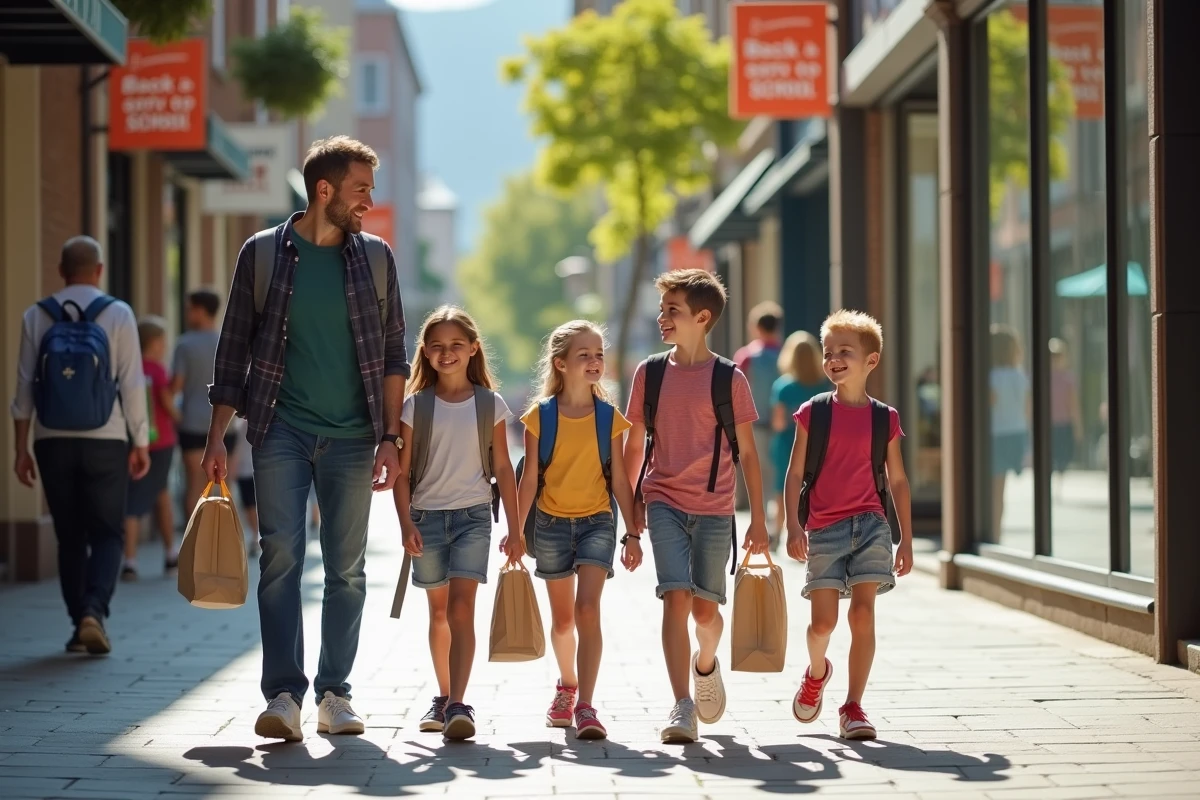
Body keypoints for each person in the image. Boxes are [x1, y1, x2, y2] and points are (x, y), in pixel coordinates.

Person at [201, 136, 409, 742]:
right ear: (326, 191)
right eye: (361, 188)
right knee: (281, 559)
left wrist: (391, 438)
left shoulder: (374, 259)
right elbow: (233, 347)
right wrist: (218, 437)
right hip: (279, 429)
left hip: (352, 437)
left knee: (346, 569)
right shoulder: (264, 253)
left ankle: (335, 693)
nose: (369, 199)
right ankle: (284, 695)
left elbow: (394, 353)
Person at [623, 268, 769, 744]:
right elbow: (634, 443)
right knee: (675, 598)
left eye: (673, 310)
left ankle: (705, 665)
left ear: (702, 318)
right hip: (661, 497)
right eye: (662, 309)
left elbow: (748, 452)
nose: (662, 317)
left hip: (714, 508)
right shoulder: (650, 374)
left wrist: (761, 522)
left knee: (705, 614)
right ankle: (682, 704)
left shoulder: (730, 378)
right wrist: (629, 518)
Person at [10, 236, 151, 655]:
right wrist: (140, 441)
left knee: (69, 537)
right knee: (107, 532)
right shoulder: (118, 313)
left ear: (61, 270)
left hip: (51, 439)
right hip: (106, 438)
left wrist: (21, 449)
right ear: (100, 270)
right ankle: (94, 611)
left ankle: (78, 625)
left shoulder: (36, 315)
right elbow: (131, 383)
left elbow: (22, 390)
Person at [783, 309, 913, 741]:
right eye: (828, 352)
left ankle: (853, 706)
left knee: (862, 615)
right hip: (824, 529)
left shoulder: (885, 418)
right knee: (823, 624)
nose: (834, 359)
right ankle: (817, 672)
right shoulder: (813, 412)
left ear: (871, 361)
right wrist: (793, 527)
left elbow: (897, 479)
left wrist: (906, 539)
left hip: (873, 525)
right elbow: (795, 472)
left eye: (845, 352)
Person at [392, 306, 519, 742]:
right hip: (426, 519)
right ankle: (443, 697)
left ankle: (460, 704)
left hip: (473, 518)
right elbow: (402, 475)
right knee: (440, 612)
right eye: (438, 347)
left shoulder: (490, 404)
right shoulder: (415, 406)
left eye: (457, 345)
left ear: (473, 349)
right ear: (425, 354)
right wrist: (405, 522)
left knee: (463, 608)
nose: (447, 354)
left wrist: (516, 530)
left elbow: (504, 467)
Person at [517, 320, 641, 741]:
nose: (594, 362)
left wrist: (634, 533)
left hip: (597, 522)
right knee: (564, 621)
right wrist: (516, 531)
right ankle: (566, 686)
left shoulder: (610, 418)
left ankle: (586, 705)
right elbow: (529, 478)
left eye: (599, 355)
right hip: (550, 524)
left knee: (587, 611)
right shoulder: (541, 416)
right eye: (583, 355)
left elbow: (621, 480)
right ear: (561, 364)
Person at [122, 317, 179, 580]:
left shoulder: (130, 369)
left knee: (132, 498)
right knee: (162, 494)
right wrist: (182, 419)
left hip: (134, 440)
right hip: (162, 440)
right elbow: (167, 404)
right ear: (154, 343)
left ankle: (130, 561)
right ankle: (170, 555)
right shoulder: (157, 370)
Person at [768, 330, 826, 549]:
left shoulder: (783, 387)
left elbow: (779, 423)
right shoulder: (824, 385)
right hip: (818, 445)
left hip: (787, 445)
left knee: (783, 488)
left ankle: (778, 532)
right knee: (815, 489)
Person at [733, 302, 783, 512]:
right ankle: (776, 517)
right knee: (779, 472)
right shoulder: (785, 353)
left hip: (753, 422)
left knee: (755, 469)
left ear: (756, 327)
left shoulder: (746, 357)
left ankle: (758, 511)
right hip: (783, 423)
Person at [989, 324, 1029, 540]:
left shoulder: (991, 376)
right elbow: (1027, 408)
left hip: (996, 433)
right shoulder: (1019, 375)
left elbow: (990, 404)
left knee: (991, 488)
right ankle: (997, 531)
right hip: (1016, 432)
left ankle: (993, 532)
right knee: (999, 489)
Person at [1048, 337, 1082, 495]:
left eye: (1058, 356)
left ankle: (1057, 485)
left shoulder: (1068, 379)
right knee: (1052, 455)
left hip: (1063, 423)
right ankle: (1053, 483)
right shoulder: (1042, 377)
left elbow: (1073, 405)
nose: (1055, 360)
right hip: (1048, 424)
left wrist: (1077, 426)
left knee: (1062, 456)